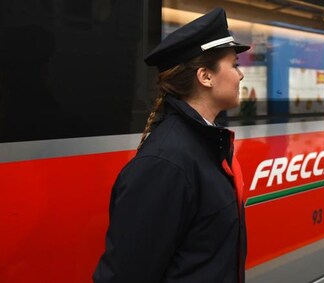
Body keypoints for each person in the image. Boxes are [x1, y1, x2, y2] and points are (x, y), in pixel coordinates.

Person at [93, 8, 250, 283]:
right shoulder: (166, 163)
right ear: (206, 77)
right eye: (234, 65)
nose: (240, 75)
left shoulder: (202, 144)